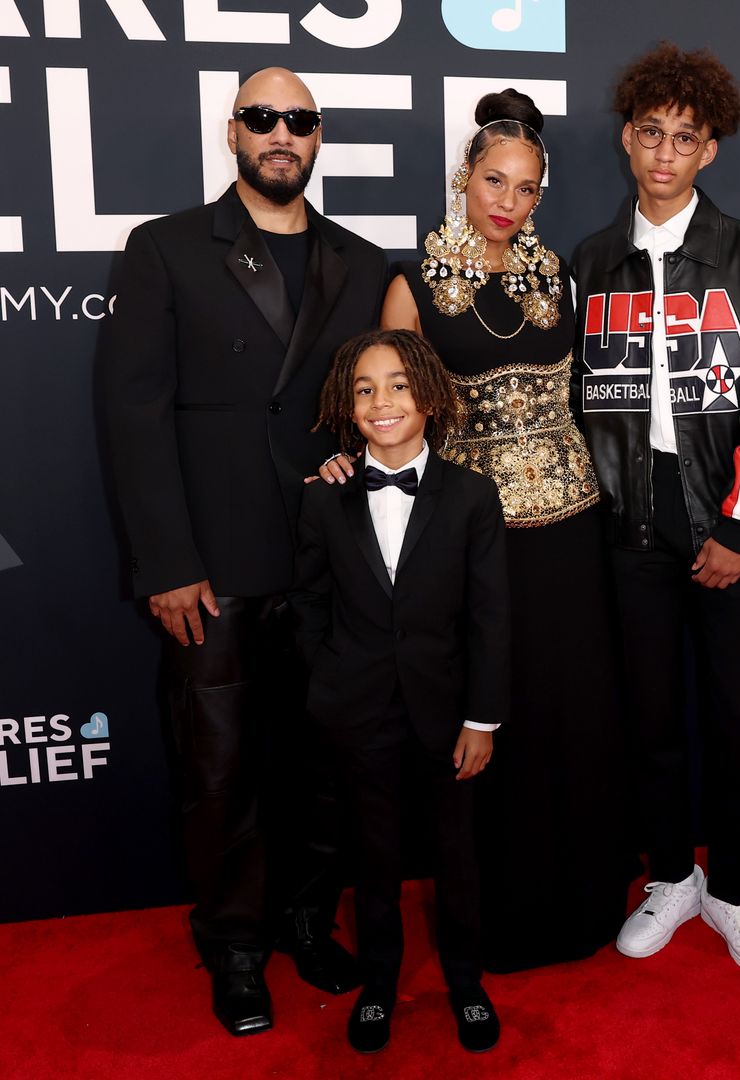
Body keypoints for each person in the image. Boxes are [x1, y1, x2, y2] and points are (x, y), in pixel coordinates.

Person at [321, 89, 635, 973]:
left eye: (527, 188)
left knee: (576, 715)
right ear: (464, 178)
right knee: (498, 717)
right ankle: (495, 921)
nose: (509, 200)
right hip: (476, 538)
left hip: (573, 532)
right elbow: (385, 407)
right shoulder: (411, 281)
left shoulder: (557, 276)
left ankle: (584, 905)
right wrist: (351, 462)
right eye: (493, 179)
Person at [101, 67, 387, 1035]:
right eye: (263, 118)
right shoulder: (167, 249)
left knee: (318, 762)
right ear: (234, 133)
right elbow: (132, 416)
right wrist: (167, 562)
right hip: (212, 571)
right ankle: (233, 945)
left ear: (318, 138)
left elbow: (386, 407)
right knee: (219, 769)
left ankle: (307, 916)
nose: (282, 134)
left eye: (299, 121)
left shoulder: (360, 259)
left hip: (324, 569)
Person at [570, 43, 740, 974]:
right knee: (651, 714)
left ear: (710, 151)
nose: (666, 154)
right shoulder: (590, 260)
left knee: (737, 717)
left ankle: (734, 891)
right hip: (629, 522)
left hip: (730, 515)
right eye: (652, 134)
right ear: (628, 140)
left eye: (686, 139)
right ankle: (671, 877)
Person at [291, 329, 510, 1053]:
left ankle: (466, 982)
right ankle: (379, 984)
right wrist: (329, 690)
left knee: (458, 856)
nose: (381, 401)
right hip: (358, 715)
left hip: (448, 713)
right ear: (345, 406)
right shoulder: (325, 498)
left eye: (396, 385)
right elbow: (310, 605)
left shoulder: (473, 497)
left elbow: (489, 616)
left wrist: (482, 718)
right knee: (374, 859)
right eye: (363, 388)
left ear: (430, 396)